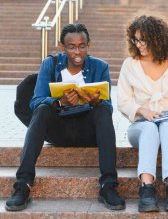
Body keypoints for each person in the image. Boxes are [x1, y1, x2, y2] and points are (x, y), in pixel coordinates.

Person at [5, 23, 125, 211]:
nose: (77, 51)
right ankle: (22, 185)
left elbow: (108, 106)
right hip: (59, 130)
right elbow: (35, 101)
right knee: (43, 109)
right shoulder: (50, 64)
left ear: (88, 45)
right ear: (63, 47)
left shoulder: (100, 67)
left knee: (102, 110)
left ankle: (108, 186)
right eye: (71, 47)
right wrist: (59, 102)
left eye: (82, 46)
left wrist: (95, 102)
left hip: (88, 132)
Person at [117, 15, 168, 212]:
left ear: (159, 39)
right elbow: (123, 101)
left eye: (144, 40)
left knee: (167, 127)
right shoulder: (129, 65)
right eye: (136, 39)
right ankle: (146, 188)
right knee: (150, 129)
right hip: (141, 126)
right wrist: (143, 111)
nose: (139, 44)